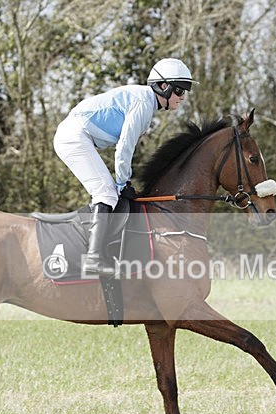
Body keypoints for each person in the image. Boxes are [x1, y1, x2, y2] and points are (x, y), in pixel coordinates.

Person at [54, 58, 198, 276]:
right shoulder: (143, 103)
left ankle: (99, 250)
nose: (182, 97)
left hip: (76, 134)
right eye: (180, 90)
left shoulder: (146, 103)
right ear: (163, 86)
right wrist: (123, 182)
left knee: (109, 191)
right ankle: (93, 258)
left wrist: (124, 181)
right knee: (106, 193)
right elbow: (124, 148)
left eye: (185, 91)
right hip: (73, 136)